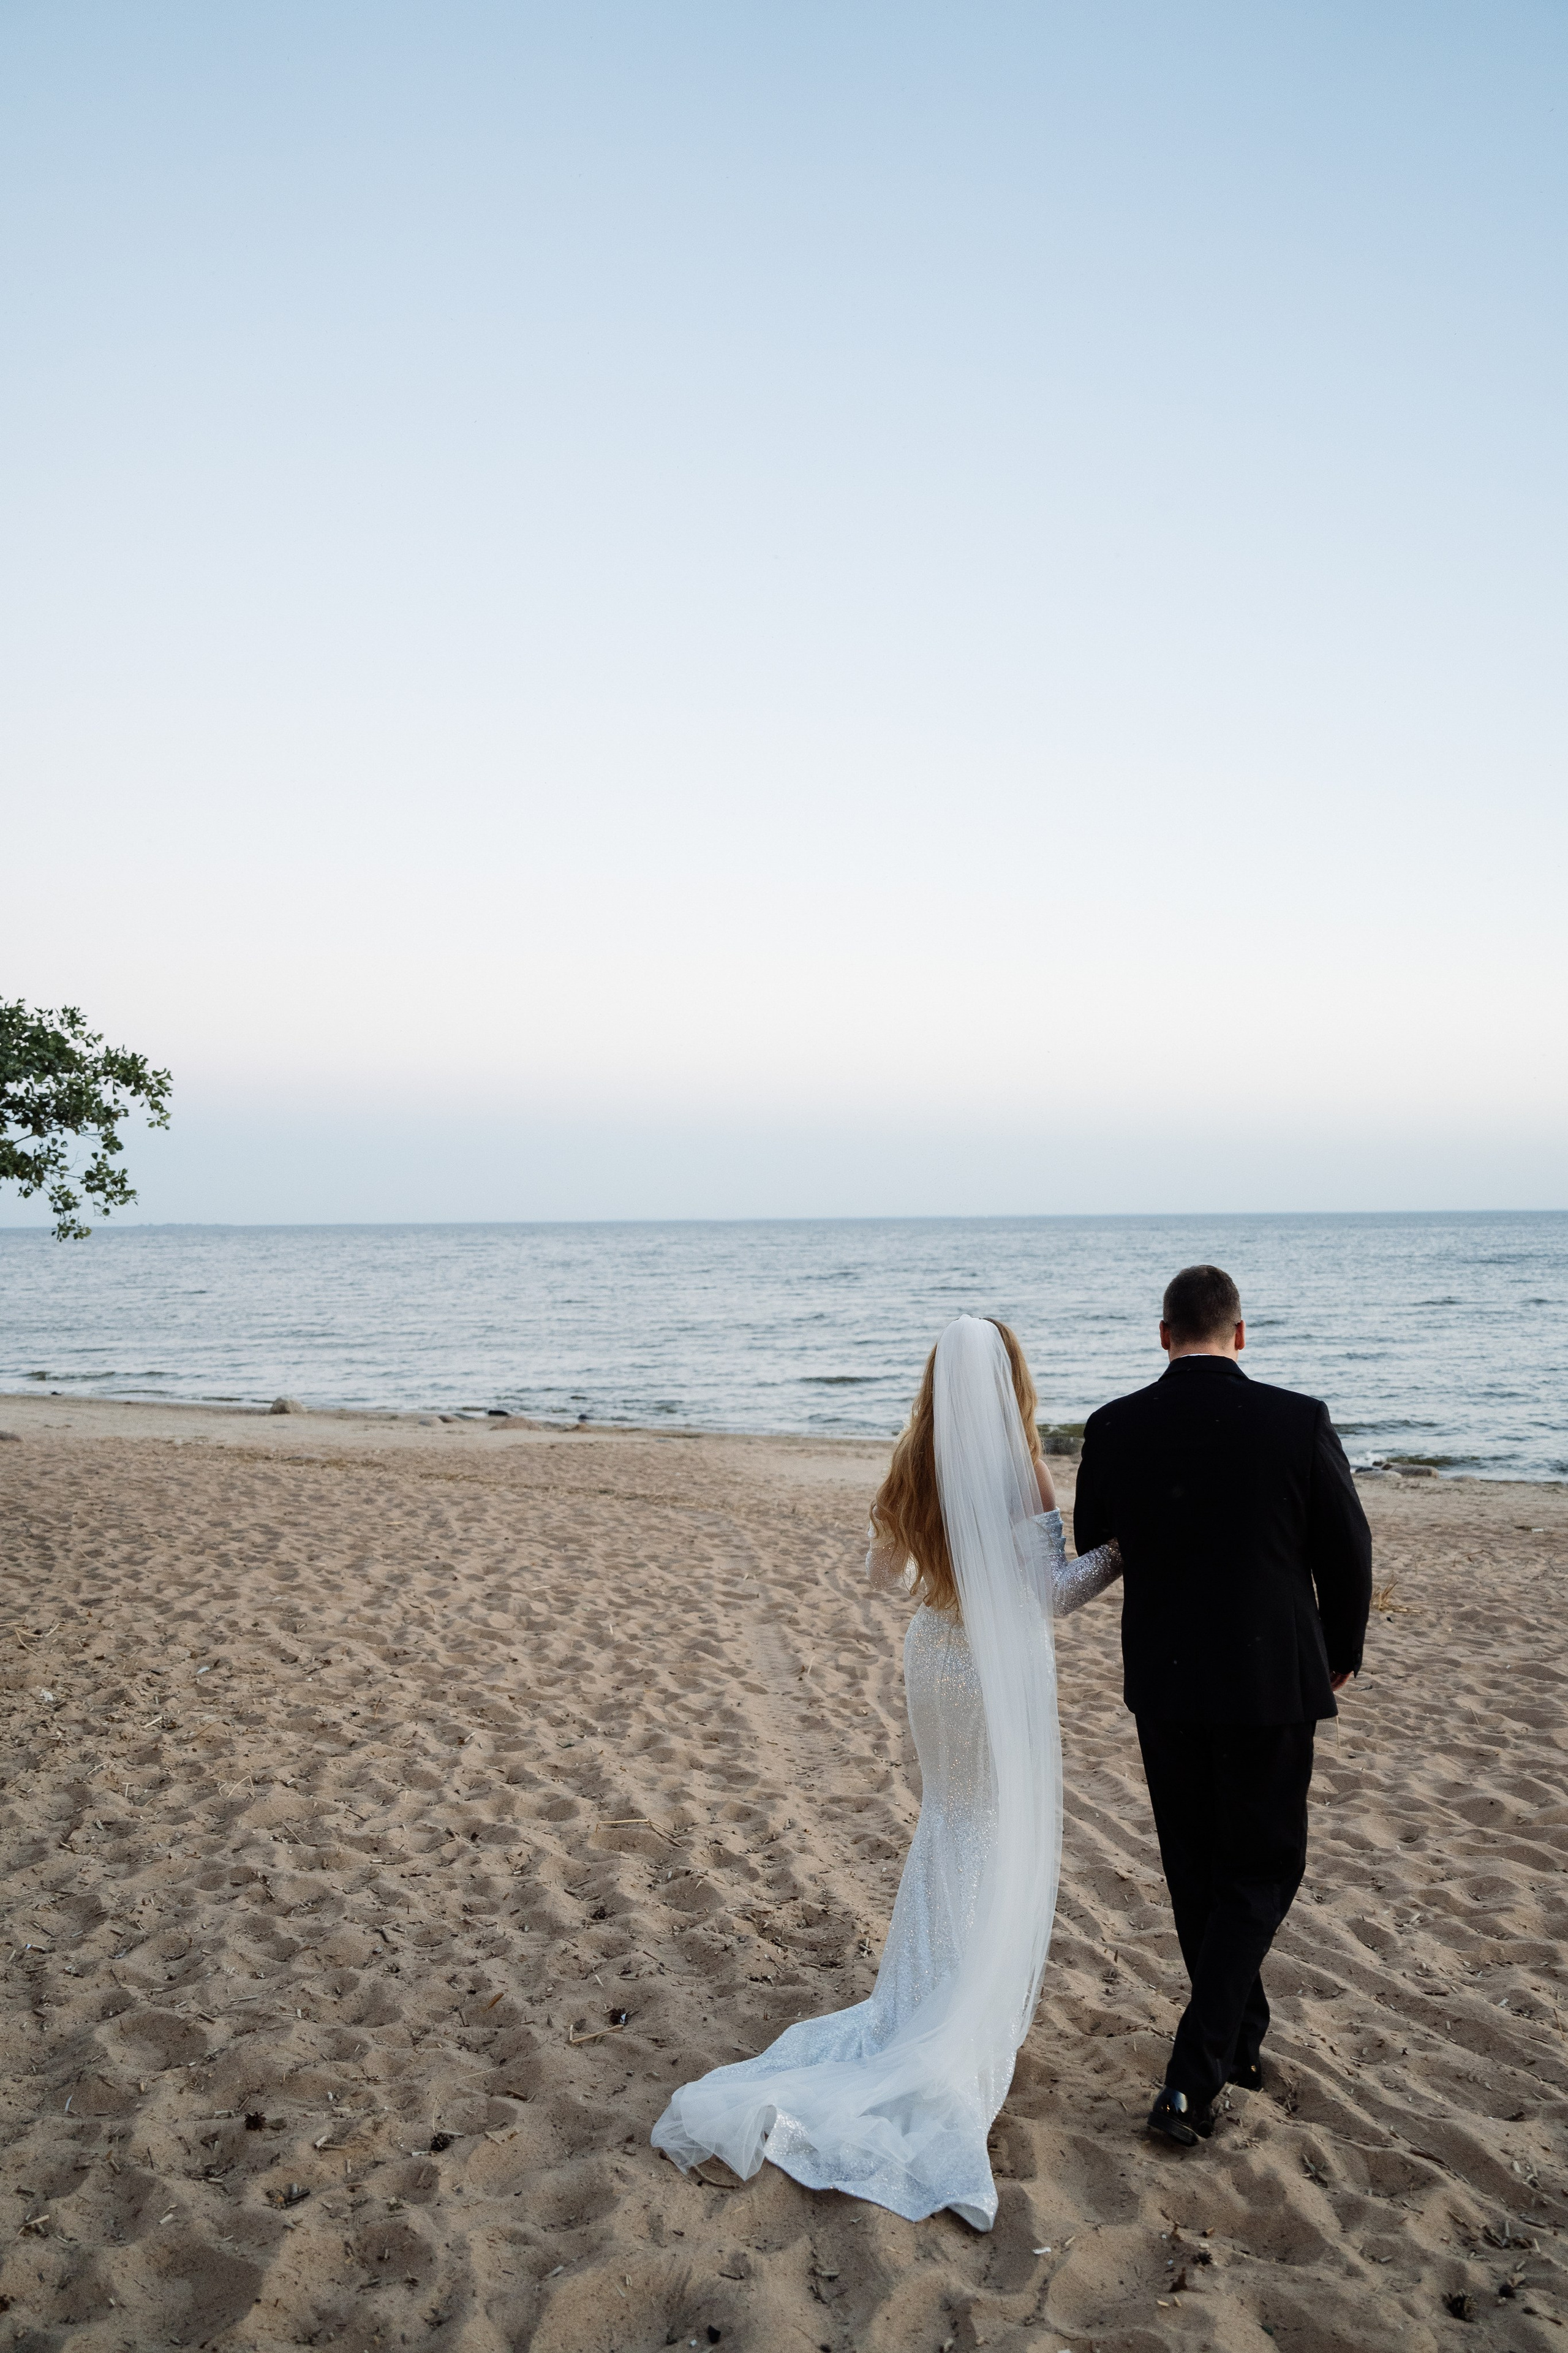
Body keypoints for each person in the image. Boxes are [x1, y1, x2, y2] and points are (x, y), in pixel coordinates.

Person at [651, 1315, 1123, 2227]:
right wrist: (1120, 1552)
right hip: (995, 1666)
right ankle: (960, 2002)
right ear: (1011, 1377)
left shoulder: (913, 1458)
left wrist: (932, 1554)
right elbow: (1051, 1596)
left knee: (949, 1814)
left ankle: (920, 1994)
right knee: (989, 1822)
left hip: (934, 1657)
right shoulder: (1025, 1466)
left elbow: (878, 1573)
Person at [1072, 1264, 1373, 2149]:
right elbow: (1347, 1546)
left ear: (1164, 1334)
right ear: (1239, 1334)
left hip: (1166, 1677)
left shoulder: (1116, 1424)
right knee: (1263, 1870)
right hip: (1273, 1675)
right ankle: (1191, 2078)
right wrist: (1341, 1649)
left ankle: (1238, 2041)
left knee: (1200, 1869)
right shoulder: (1298, 1418)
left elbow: (1096, 1539)